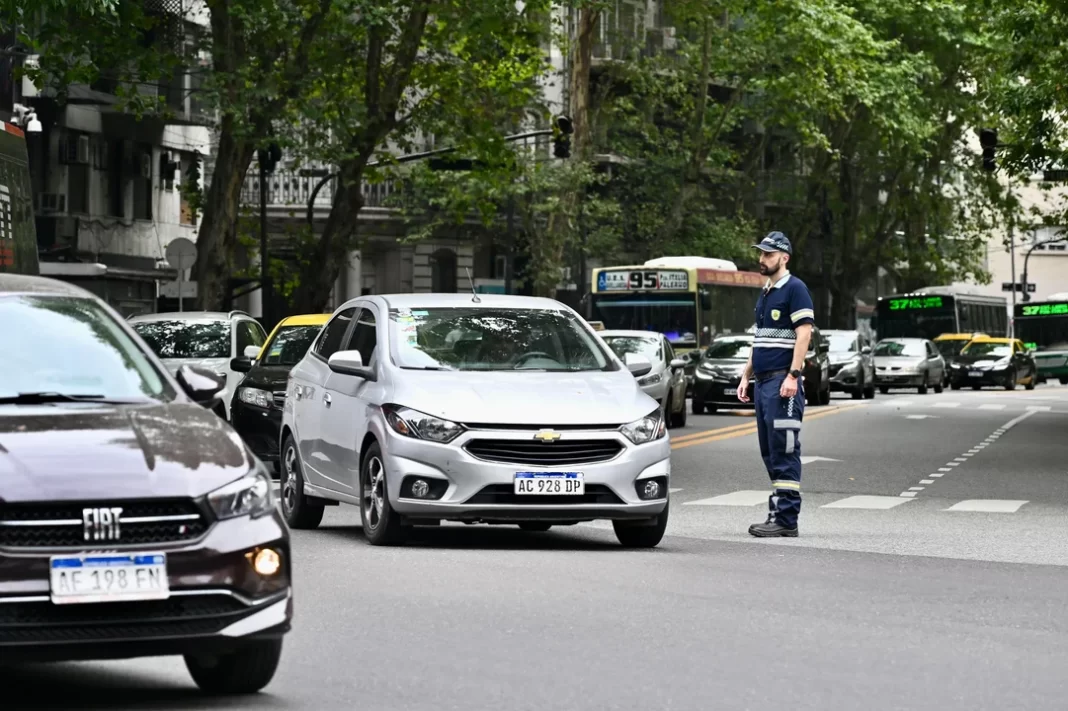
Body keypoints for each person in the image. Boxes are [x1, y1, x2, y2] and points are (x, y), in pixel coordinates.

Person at [736, 231, 815, 537]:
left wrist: (793, 375)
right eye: (761, 253)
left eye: (768, 254)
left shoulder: (795, 289)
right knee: (769, 450)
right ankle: (779, 513)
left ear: (784, 258)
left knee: (784, 448)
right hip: (764, 382)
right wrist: (746, 376)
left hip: (782, 381)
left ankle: (786, 518)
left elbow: (804, 334)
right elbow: (760, 340)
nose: (762, 259)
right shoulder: (766, 292)